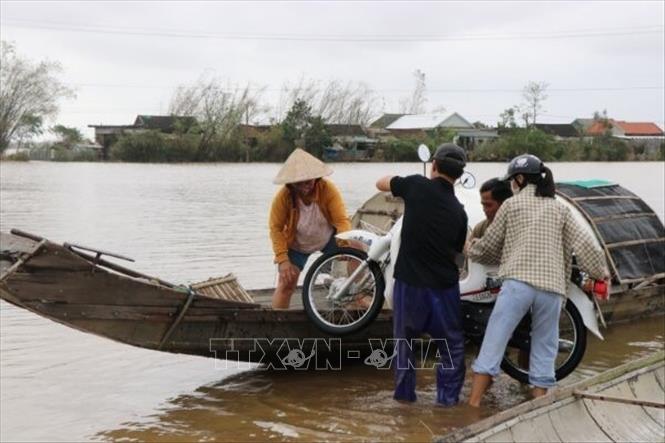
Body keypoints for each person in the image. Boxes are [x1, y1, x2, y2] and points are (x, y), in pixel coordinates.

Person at [467, 154, 609, 407]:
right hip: (552, 289)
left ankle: (473, 406)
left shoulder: (511, 206)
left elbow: (489, 247)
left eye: (512, 180)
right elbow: (588, 246)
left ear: (519, 180)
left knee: (493, 343)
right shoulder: (560, 208)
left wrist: (472, 247)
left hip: (518, 284)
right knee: (544, 349)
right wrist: (601, 275)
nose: (511, 185)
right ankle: (539, 407)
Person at [376, 143, 468, 406]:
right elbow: (458, 255)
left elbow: (381, 182)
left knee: (405, 345)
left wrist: (398, 184)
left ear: (434, 165)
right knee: (450, 347)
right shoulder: (459, 212)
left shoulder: (416, 186)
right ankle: (447, 403)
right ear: (459, 175)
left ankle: (404, 401)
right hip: (445, 288)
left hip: (411, 286)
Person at [269, 148, 351, 309]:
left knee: (356, 249)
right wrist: (283, 260)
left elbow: (341, 221)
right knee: (286, 284)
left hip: (327, 239)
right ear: (291, 183)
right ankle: (276, 320)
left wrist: (344, 245)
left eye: (309, 181)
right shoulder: (283, 197)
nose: (305, 186)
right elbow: (276, 229)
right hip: (297, 245)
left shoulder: (327, 189)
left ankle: (358, 299)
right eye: (299, 183)